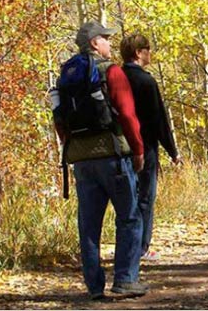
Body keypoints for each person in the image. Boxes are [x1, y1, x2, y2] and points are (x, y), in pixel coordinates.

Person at [53, 22, 148, 300]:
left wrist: (75, 147)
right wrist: (138, 149)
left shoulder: (66, 76)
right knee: (129, 218)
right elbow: (128, 115)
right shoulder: (111, 71)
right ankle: (126, 280)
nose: (109, 43)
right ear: (94, 43)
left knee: (89, 225)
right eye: (106, 39)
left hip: (81, 160)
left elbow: (59, 121)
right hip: (113, 156)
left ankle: (94, 287)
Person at [120, 33, 182, 261]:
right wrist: (173, 151)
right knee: (145, 198)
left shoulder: (114, 77)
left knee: (127, 200)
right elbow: (159, 121)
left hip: (120, 149)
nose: (150, 52)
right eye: (147, 48)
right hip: (145, 148)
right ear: (139, 52)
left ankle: (126, 247)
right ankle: (142, 247)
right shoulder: (146, 81)